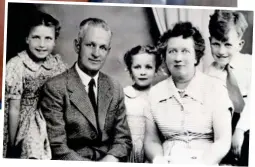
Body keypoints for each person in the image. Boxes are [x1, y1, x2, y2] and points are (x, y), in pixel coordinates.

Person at [40, 18, 132, 161]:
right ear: (77, 46)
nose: (96, 53)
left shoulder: (114, 87)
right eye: (90, 45)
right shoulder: (55, 87)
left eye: (102, 47)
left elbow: (123, 139)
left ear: (108, 51)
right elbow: (58, 147)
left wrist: (108, 161)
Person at [144, 22, 232, 165]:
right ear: (165, 57)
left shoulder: (216, 89)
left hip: (205, 160)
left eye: (185, 51)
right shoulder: (155, 93)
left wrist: (203, 163)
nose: (178, 58)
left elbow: (222, 140)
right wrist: (159, 161)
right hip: (168, 160)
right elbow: (151, 140)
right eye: (172, 51)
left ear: (196, 57)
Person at [3, 11, 67, 159]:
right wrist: (12, 144)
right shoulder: (17, 64)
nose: (42, 44)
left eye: (48, 38)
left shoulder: (56, 64)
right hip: (24, 119)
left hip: (50, 117)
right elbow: (14, 107)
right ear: (27, 38)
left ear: (54, 41)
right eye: (36, 37)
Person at [205, 10, 251, 166]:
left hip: (249, 122)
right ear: (209, 41)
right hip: (224, 127)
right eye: (216, 44)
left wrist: (240, 130)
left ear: (240, 44)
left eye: (228, 44)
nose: (221, 51)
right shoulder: (209, 73)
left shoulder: (251, 65)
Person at [123, 45, 162, 163]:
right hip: (129, 153)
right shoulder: (124, 95)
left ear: (157, 70)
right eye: (137, 67)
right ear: (129, 70)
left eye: (148, 67)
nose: (143, 72)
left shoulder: (160, 96)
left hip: (153, 154)